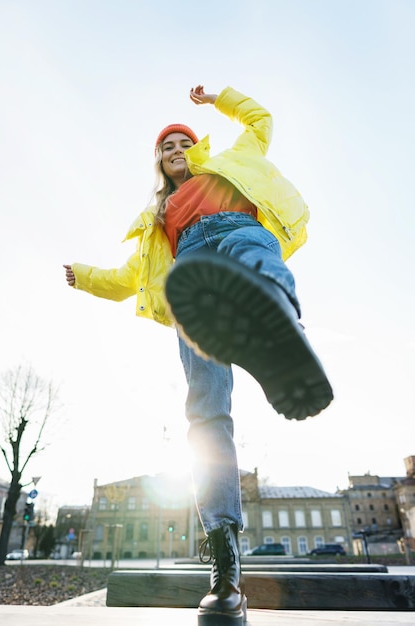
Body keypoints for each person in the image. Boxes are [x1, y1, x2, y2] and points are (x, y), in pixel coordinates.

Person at [64, 84, 333, 626]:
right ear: (160, 163)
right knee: (206, 413)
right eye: (169, 147)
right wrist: (86, 277)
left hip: (236, 232)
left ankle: (276, 322)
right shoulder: (156, 220)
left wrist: (219, 99)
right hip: (190, 278)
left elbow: (260, 119)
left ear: (199, 147)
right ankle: (225, 560)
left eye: (186, 141)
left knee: (255, 255)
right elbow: (129, 280)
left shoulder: (231, 159)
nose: (179, 150)